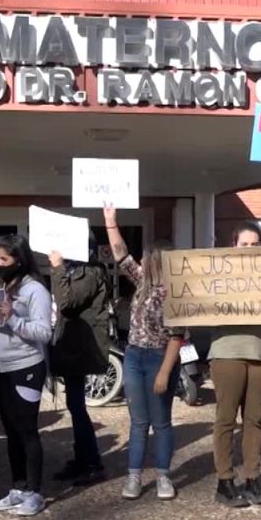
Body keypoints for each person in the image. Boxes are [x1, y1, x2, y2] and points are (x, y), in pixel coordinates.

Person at [103, 208, 185, 501]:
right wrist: (110, 221)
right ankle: (134, 476)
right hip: (135, 357)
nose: (139, 260)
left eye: (146, 256)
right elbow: (120, 254)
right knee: (138, 422)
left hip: (161, 358)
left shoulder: (176, 292)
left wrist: (164, 372)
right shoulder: (142, 283)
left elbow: (178, 336)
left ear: (157, 260)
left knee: (161, 421)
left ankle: (163, 476)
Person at [207, 222, 261, 508]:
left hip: (260, 352)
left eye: (255, 244)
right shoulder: (215, 275)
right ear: (233, 246)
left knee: (254, 420)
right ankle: (224, 481)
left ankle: (252, 478)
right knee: (226, 418)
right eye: (244, 244)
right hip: (226, 351)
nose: (250, 249)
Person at [0, 234, 53, 516]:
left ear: (19, 260)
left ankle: (35, 492)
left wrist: (12, 317)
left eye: (4, 259)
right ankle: (18, 487)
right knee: (10, 430)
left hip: (25, 366)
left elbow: (43, 332)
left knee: (26, 430)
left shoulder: (35, 290)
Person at [47, 234, 111, 489]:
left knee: (77, 407)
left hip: (82, 348)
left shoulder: (91, 271)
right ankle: (82, 458)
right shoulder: (81, 270)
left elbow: (67, 302)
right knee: (75, 406)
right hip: (73, 345)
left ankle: (93, 463)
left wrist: (57, 267)